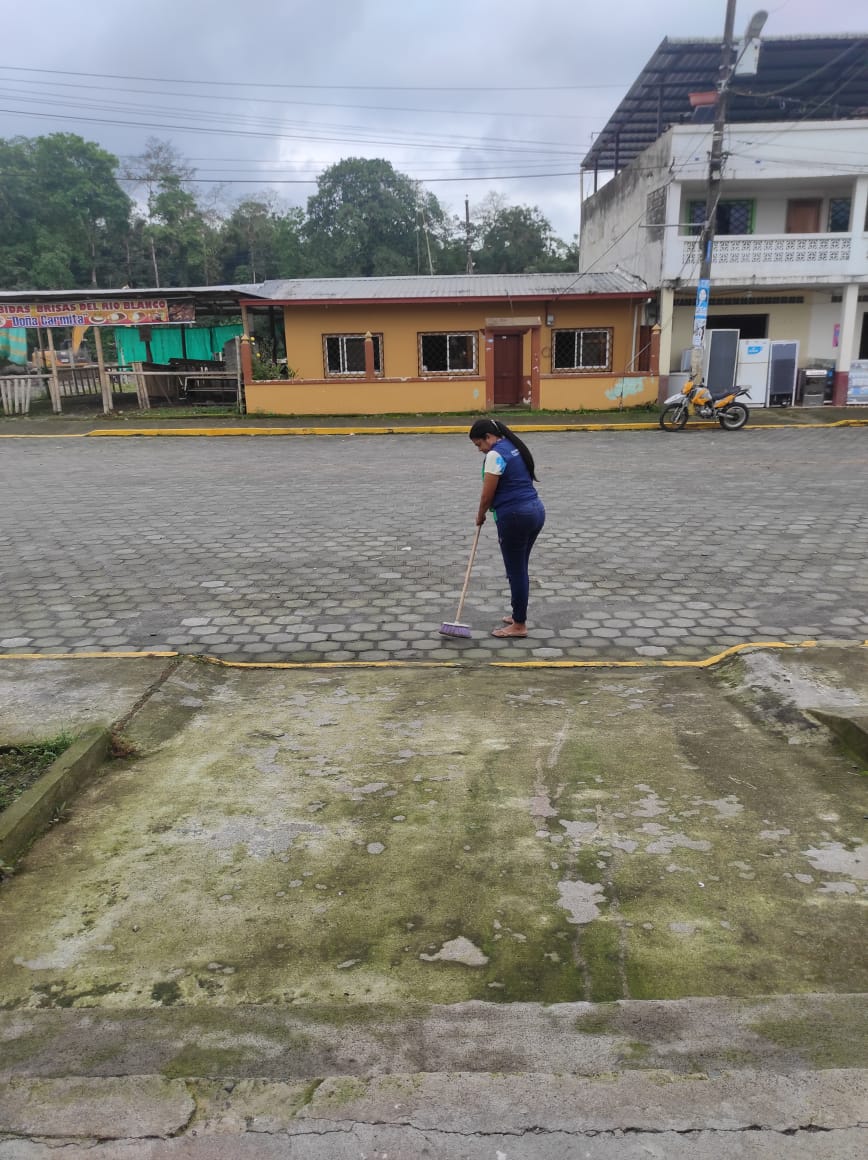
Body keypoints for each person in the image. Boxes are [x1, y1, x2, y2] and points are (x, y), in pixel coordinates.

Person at [468, 417, 545, 638]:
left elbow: (487, 494)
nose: (480, 450)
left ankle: (519, 625)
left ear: (488, 437)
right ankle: (517, 614)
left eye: (479, 444)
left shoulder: (495, 455)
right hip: (536, 511)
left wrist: (480, 515)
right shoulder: (512, 446)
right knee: (520, 568)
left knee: (516, 571)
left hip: (515, 516)